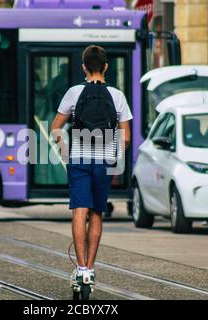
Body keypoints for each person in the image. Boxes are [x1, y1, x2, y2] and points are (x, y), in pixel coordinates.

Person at [51, 45, 132, 292]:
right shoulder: (117, 95)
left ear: (84, 66)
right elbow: (126, 137)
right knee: (96, 212)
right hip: (104, 161)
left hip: (79, 160)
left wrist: (66, 152)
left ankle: (81, 269)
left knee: (79, 210)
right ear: (106, 67)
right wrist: (115, 158)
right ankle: (91, 270)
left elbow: (56, 128)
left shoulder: (74, 92)